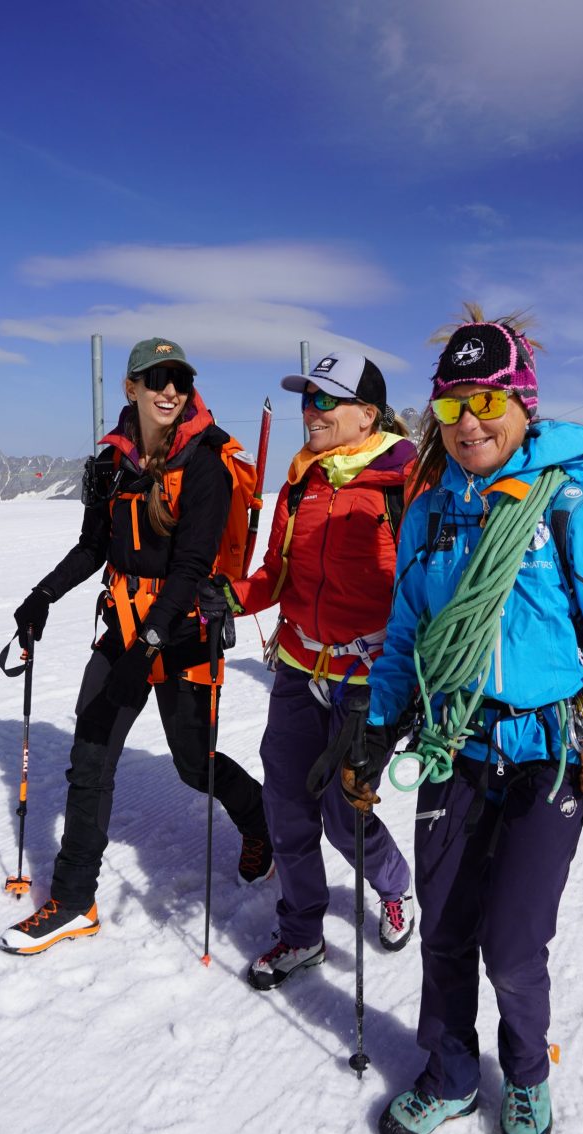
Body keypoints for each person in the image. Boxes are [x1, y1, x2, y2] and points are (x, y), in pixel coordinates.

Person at [344, 308, 583, 1134]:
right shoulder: (430, 514)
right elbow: (406, 637)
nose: (470, 423)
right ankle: (450, 1073)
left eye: (488, 401)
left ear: (525, 405)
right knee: (444, 933)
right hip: (454, 747)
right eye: (451, 407)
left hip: (546, 759)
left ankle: (524, 1072)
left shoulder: (568, 514)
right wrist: (376, 734)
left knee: (514, 947)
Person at [0, 338, 273, 955]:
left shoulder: (204, 463)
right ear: (133, 388)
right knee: (89, 759)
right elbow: (94, 546)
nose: (168, 389)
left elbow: (192, 568)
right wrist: (43, 595)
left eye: (178, 378)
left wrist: (146, 650)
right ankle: (73, 901)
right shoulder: (112, 462)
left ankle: (260, 824)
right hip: (123, 628)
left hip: (180, 634)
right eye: (156, 379)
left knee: (193, 762)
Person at [200, 352, 417, 990]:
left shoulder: (405, 486)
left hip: (365, 676)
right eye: (306, 399)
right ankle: (301, 934)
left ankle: (394, 883)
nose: (310, 411)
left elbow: (422, 588)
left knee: (342, 813)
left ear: (367, 415)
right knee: (287, 808)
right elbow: (278, 573)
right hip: (298, 667)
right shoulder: (301, 481)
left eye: (327, 401)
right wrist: (236, 596)